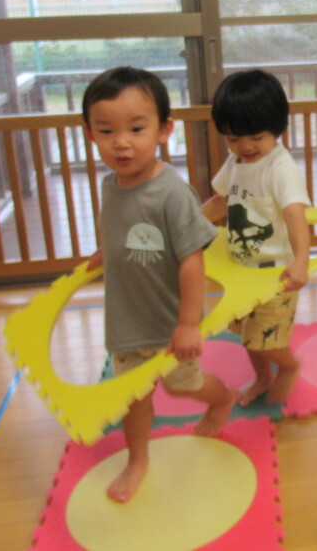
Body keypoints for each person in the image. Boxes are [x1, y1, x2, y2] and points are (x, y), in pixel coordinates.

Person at [82, 66, 235, 503]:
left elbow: (191, 260)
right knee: (135, 395)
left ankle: (222, 398)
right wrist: (106, 253)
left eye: (136, 128)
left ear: (164, 130)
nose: (122, 142)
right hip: (127, 320)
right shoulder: (109, 186)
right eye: (107, 130)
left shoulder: (172, 192)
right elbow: (120, 231)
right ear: (91, 134)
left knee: (182, 384)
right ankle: (137, 459)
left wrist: (189, 323)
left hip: (170, 322)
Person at [202, 70, 311, 406]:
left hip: (275, 274)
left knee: (269, 337)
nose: (245, 147)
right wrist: (188, 224)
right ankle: (263, 377)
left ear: (278, 129)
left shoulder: (280, 167)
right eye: (233, 139)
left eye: (255, 138)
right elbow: (222, 200)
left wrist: (301, 263)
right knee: (248, 334)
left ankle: (289, 367)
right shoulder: (237, 162)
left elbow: (295, 215)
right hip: (242, 271)